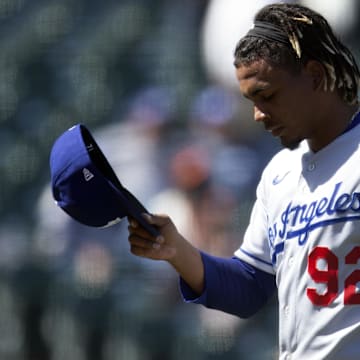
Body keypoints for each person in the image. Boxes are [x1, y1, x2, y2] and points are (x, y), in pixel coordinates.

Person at [127, 3, 360, 359]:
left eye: (267, 95)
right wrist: (177, 251)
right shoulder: (279, 174)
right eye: (251, 100)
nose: (257, 115)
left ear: (314, 76)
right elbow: (249, 287)